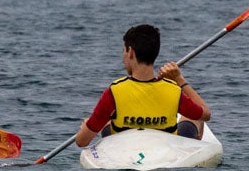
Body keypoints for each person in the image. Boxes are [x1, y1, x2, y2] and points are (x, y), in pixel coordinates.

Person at [74, 23, 211, 148]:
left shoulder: (114, 91)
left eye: (124, 51)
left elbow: (81, 142)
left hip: (124, 152)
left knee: (105, 120)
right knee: (194, 118)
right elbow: (205, 114)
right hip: (165, 151)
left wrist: (87, 126)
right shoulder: (173, 89)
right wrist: (180, 80)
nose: (123, 58)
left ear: (131, 52)